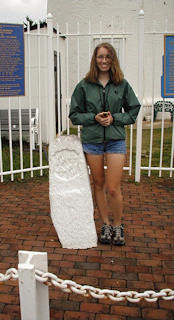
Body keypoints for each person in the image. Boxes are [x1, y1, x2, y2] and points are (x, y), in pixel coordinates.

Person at [69, 42, 140, 246]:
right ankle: (106, 224)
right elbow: (74, 115)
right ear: (95, 59)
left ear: (113, 59)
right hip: (92, 141)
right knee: (98, 184)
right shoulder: (84, 85)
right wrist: (94, 118)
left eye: (108, 56)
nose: (104, 60)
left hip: (116, 139)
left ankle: (118, 225)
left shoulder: (122, 84)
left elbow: (133, 109)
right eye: (100, 56)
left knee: (113, 187)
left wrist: (115, 119)